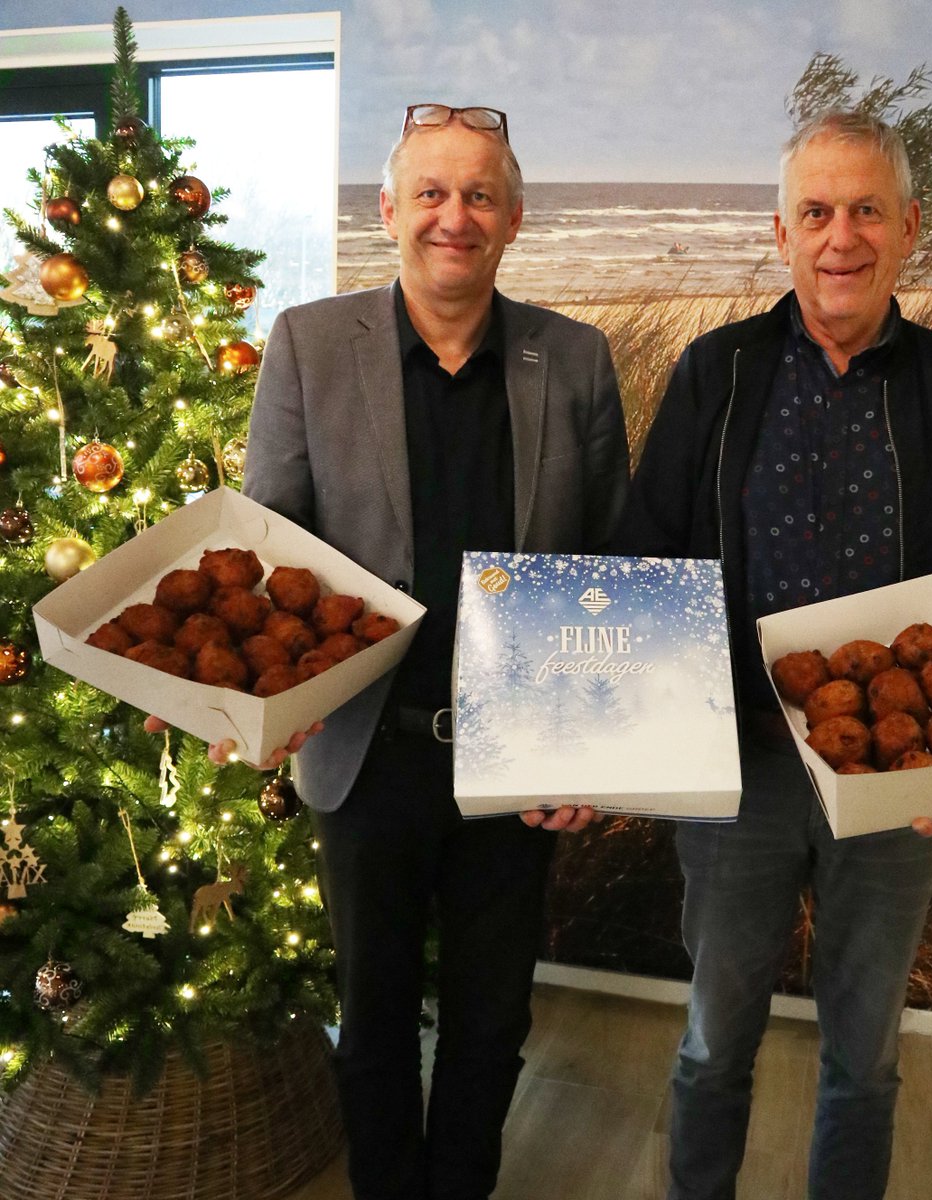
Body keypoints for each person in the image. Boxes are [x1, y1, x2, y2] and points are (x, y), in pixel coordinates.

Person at [615, 109, 932, 1200]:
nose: (839, 237)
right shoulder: (717, 372)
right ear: (780, 233)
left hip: (898, 774)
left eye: (864, 212)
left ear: (909, 228)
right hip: (735, 764)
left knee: (866, 1056)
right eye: (816, 213)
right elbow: (646, 555)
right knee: (711, 1045)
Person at [238, 104, 629, 1200]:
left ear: (514, 217)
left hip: (523, 758)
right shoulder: (309, 346)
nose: (454, 217)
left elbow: (612, 561)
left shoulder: (578, 359)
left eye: (480, 196)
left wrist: (597, 745)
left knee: (492, 1021)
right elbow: (271, 552)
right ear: (390, 211)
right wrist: (265, 700)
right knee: (369, 1028)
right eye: (432, 193)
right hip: (368, 752)